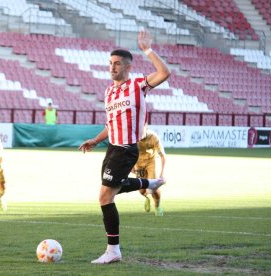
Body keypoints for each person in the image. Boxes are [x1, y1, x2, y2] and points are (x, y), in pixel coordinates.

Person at [78, 29, 170, 264]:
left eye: (117, 64)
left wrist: (147, 50)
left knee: (105, 196)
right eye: (110, 63)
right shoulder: (109, 92)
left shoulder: (138, 85)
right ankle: (148, 183)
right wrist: (95, 140)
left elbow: (164, 72)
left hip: (127, 148)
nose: (112, 67)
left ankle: (113, 250)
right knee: (111, 190)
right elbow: (111, 124)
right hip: (111, 148)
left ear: (128, 67)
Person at [133, 126, 166, 216]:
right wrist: (131, 167)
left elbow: (163, 156)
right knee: (142, 191)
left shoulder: (153, 137)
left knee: (153, 187)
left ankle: (157, 206)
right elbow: (128, 153)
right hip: (138, 163)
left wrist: (162, 173)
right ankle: (147, 197)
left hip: (152, 162)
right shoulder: (133, 138)